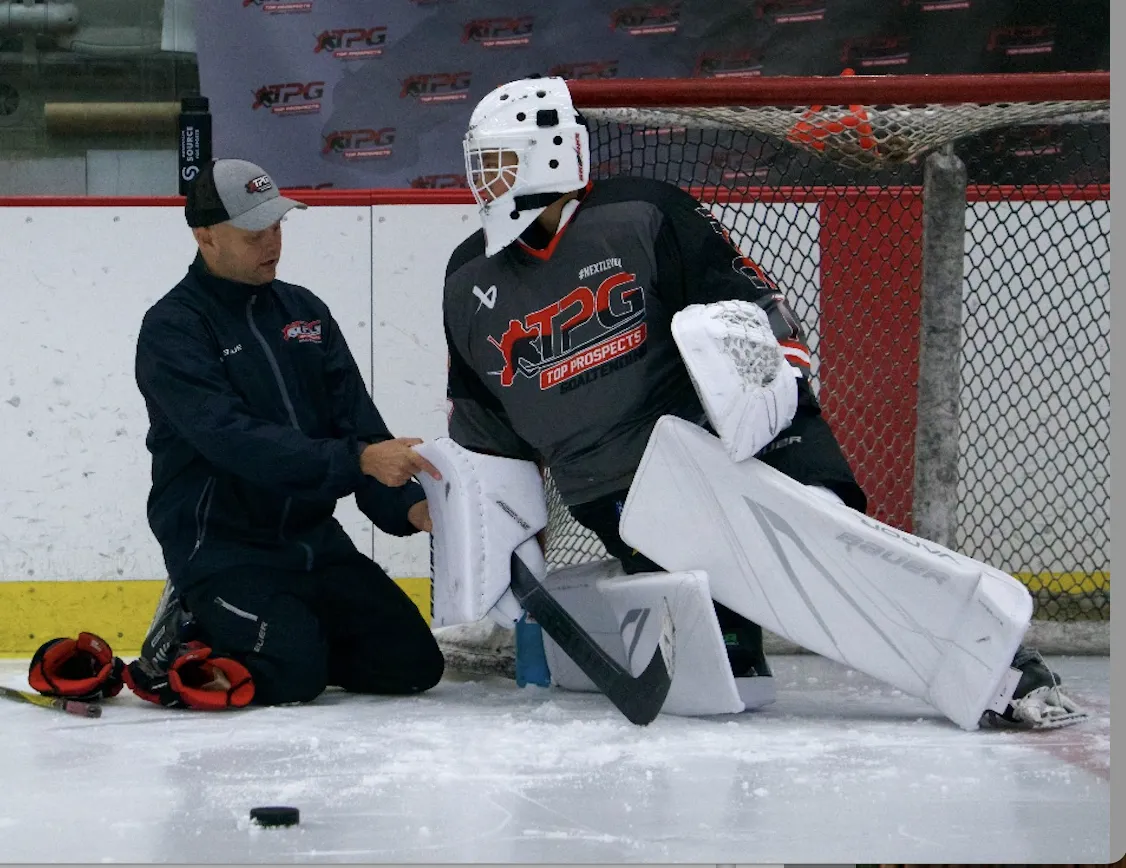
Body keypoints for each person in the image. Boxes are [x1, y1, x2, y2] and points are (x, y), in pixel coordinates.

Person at [440, 76, 1070, 726]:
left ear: (550, 152)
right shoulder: (468, 280)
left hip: (728, 444)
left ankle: (998, 668)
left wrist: (767, 409)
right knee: (735, 647)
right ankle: (737, 630)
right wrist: (504, 541)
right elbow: (488, 439)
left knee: (825, 543)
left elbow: (752, 312)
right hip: (622, 496)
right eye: (480, 163)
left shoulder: (643, 213)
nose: (484, 178)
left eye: (499, 160)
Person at [128, 158, 446, 709]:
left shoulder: (304, 312)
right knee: (295, 674)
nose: (272, 243)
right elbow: (234, 439)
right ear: (206, 236)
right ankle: (190, 630)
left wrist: (413, 509)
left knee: (412, 663)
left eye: (277, 226)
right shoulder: (173, 328)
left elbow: (360, 428)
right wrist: (357, 459)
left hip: (312, 544)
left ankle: (292, 640)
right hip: (224, 552)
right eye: (254, 233)